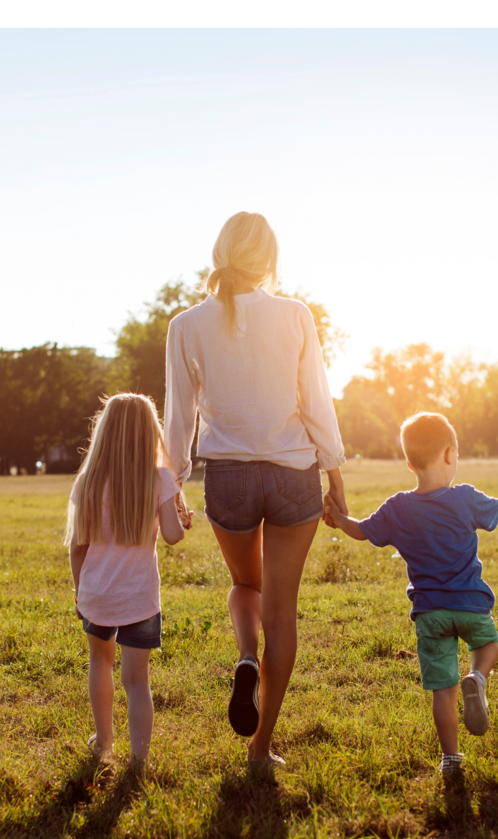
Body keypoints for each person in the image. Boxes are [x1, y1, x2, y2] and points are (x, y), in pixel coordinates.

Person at [164, 212, 347, 767]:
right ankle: (261, 748)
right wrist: (335, 474)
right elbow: (316, 400)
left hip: (229, 478)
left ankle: (246, 658)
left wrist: (172, 483)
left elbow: (180, 416)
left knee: (247, 585)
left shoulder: (185, 324)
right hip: (294, 476)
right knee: (283, 612)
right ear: (268, 258)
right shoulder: (295, 315)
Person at [328, 413, 498, 777]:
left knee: (443, 690)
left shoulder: (397, 508)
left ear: (409, 463)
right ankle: (479, 677)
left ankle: (450, 758)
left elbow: (361, 531)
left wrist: (338, 518)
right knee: (487, 647)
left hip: (430, 613)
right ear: (450, 454)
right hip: (471, 605)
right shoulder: (465, 498)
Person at [65, 393, 193, 769]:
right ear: (148, 432)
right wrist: (180, 518)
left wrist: (79, 591)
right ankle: (139, 759)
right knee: (137, 680)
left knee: (99, 663)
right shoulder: (159, 477)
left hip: (98, 595)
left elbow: (77, 547)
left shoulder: (88, 480)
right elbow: (173, 536)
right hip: (139, 598)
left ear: (105, 431)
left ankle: (104, 743)